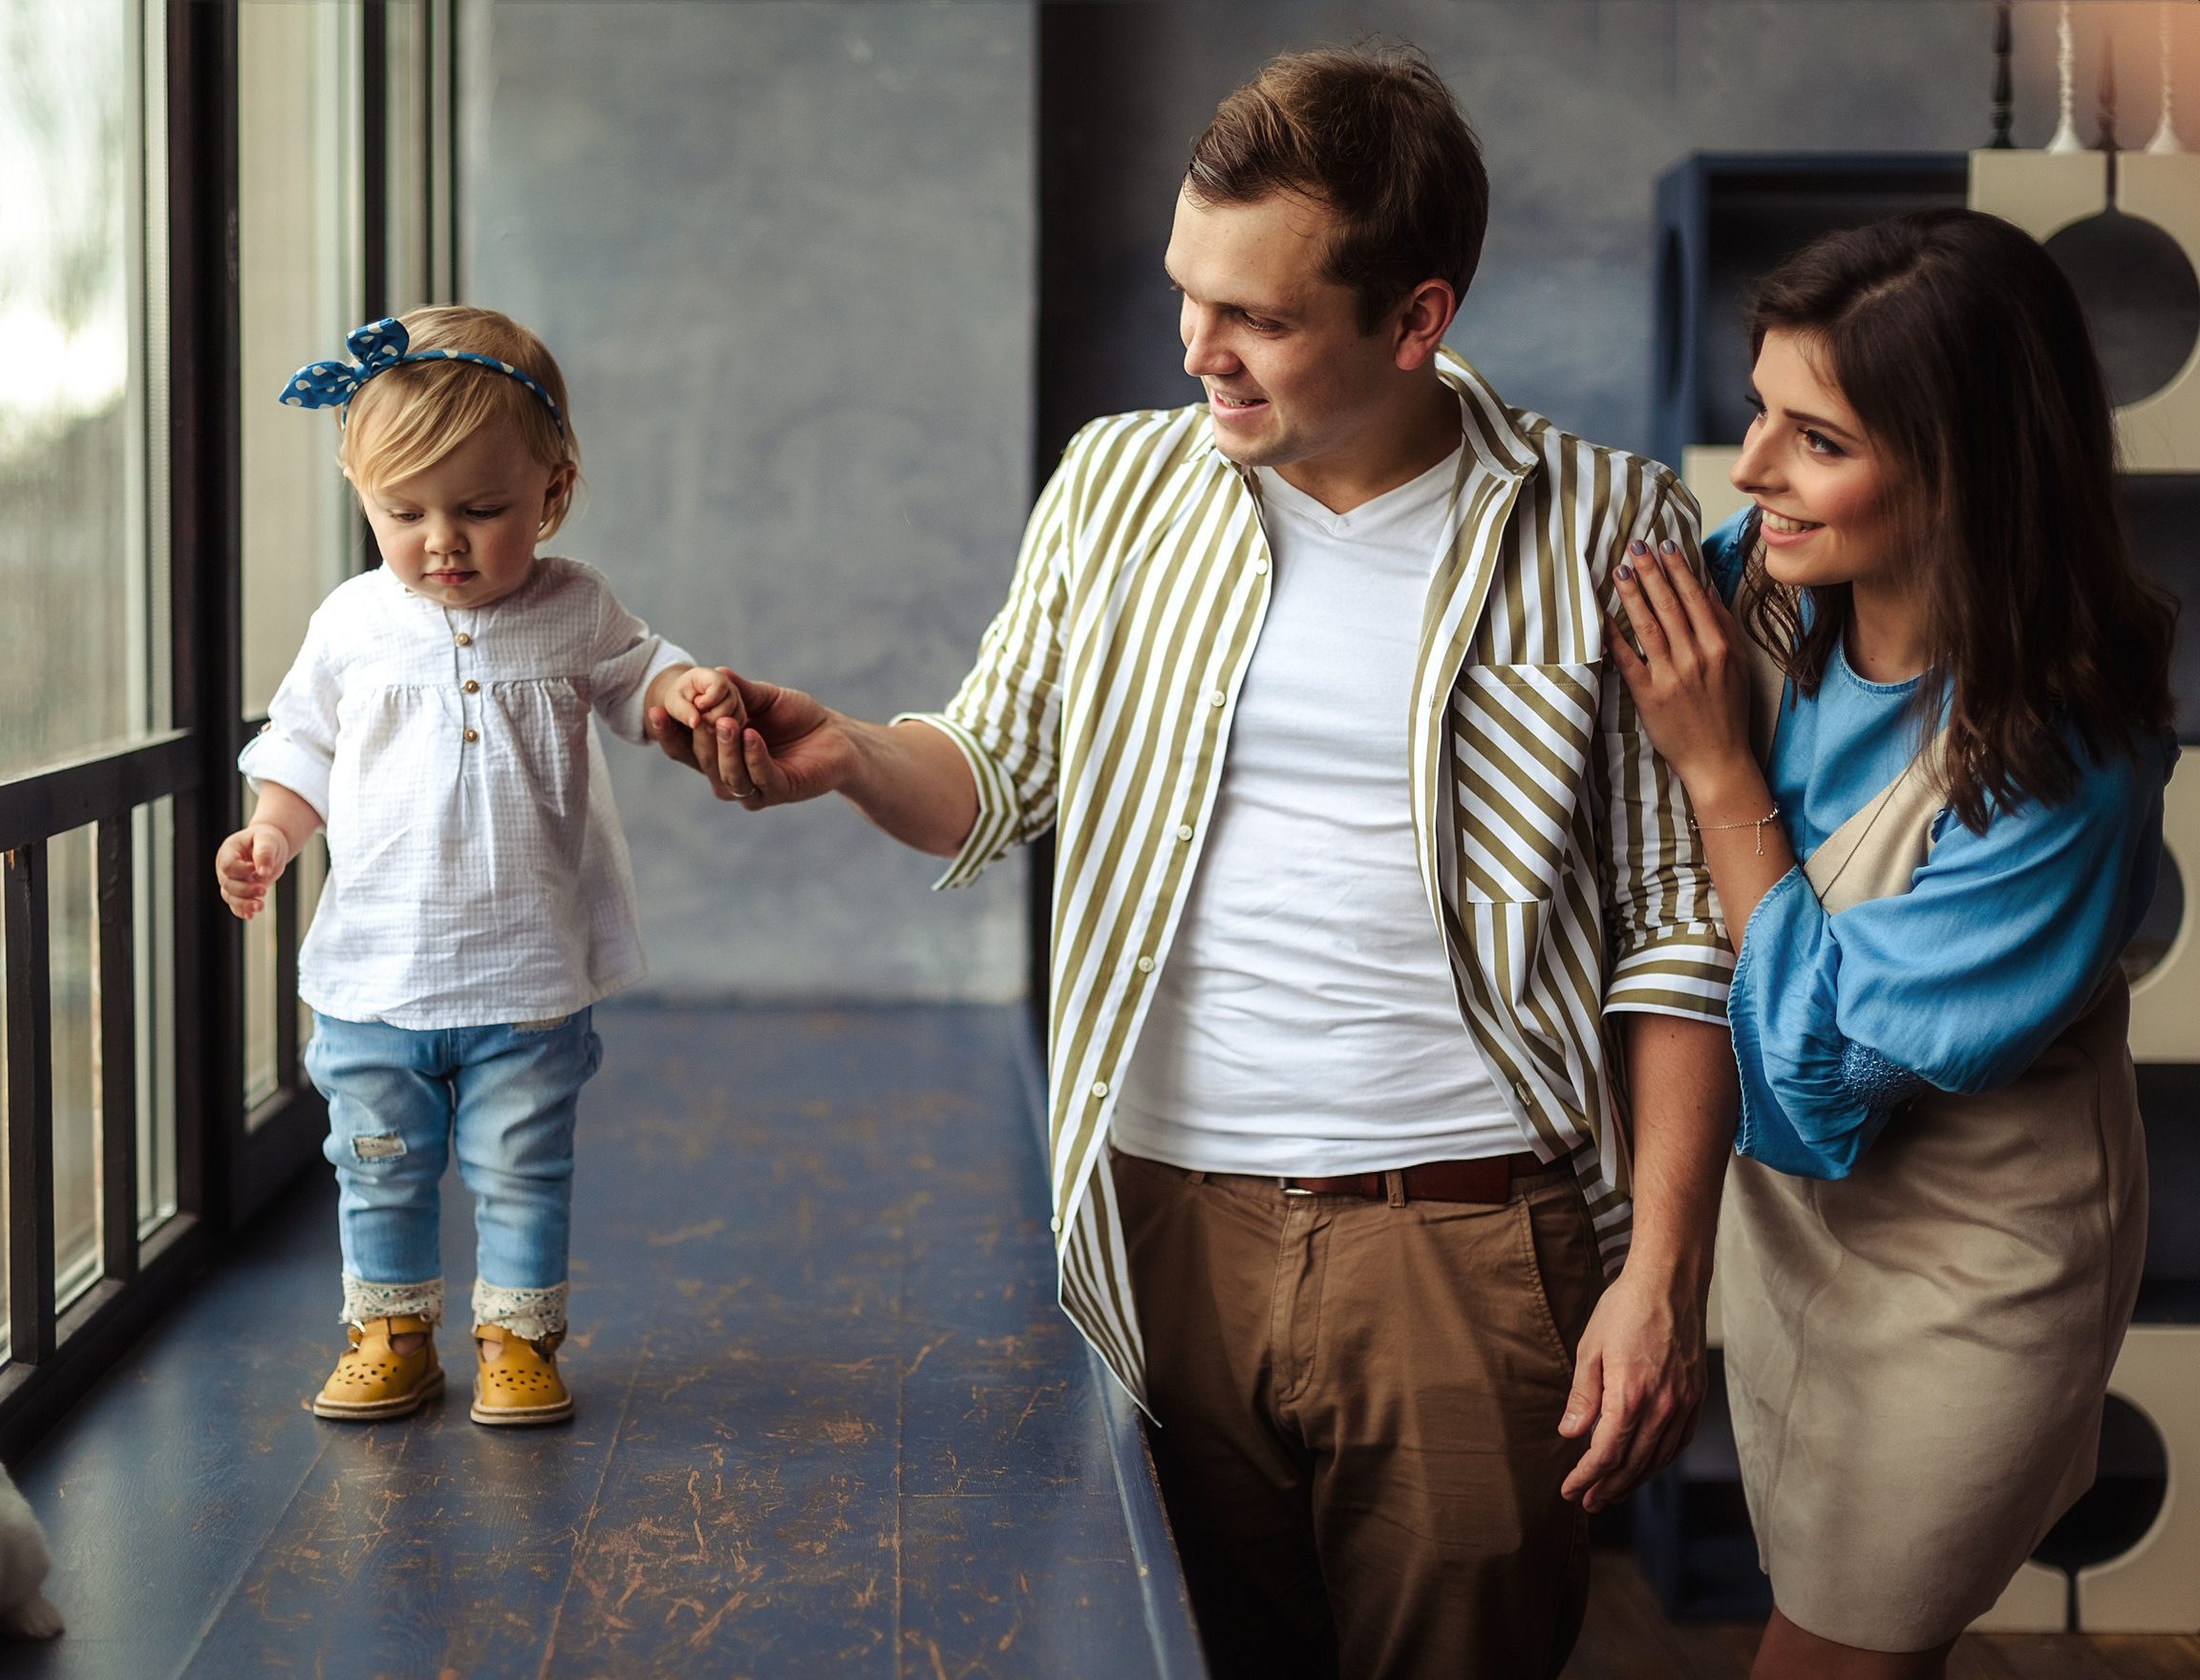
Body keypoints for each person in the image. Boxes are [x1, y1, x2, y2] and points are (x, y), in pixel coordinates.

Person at [653, 48, 1738, 1679]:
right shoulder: (1118, 483)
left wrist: (1663, 1273)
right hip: (1164, 1227)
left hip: (1464, 1248)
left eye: (1260, 317)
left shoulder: (1604, 523)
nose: (1197, 348)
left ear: (1416, 317)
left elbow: (1677, 925)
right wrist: (853, 756)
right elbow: (1000, 765)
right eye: (1184, 293)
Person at [1609, 208, 2171, 1679]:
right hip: (1791, 1236)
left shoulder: (2064, 753)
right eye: (1760, 409)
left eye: (1817, 439)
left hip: (1973, 1260)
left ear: (1963, 469)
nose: (1749, 469)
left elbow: (1826, 1068)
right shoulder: (1772, 583)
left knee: (1832, 1650)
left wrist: (1724, 779)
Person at [218, 306, 743, 1427]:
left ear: (551, 494)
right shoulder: (353, 622)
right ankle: (393, 1332)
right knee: (379, 1165)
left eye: (482, 510)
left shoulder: (573, 607)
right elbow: (302, 743)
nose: (440, 540)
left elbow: (637, 676)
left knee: (519, 1169)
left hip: (526, 978)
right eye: (402, 512)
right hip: (373, 980)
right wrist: (270, 830)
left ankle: (516, 1337)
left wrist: (677, 696)